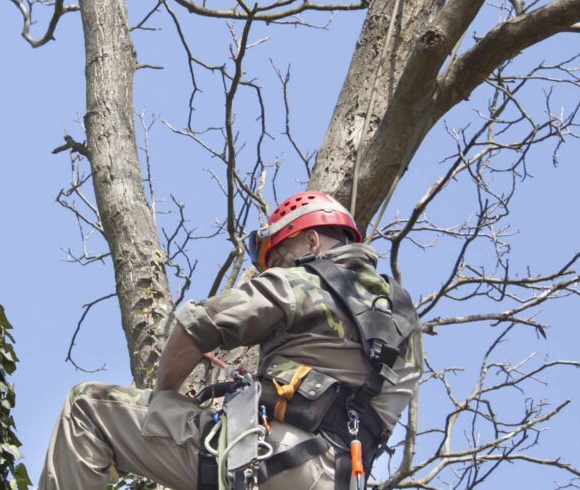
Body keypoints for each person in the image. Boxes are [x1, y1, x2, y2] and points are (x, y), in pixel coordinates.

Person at [39, 191, 423, 490]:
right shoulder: (406, 324)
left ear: (311, 242)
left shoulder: (304, 282)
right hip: (342, 476)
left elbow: (197, 325)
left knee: (88, 408)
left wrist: (166, 399)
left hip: (275, 464)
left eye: (278, 256)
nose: (274, 269)